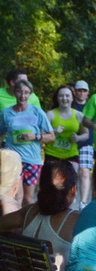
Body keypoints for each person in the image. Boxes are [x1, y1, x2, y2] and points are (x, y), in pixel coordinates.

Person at [0, 157, 81, 268]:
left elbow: (2, 225)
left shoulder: (28, 213)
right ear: (73, 190)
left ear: (41, 187)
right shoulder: (75, 219)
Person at [4, 71, 53, 206]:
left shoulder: (37, 112)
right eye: (19, 92)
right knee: (15, 195)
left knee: (28, 197)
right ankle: (12, 225)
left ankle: (26, 225)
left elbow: (51, 136)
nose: (22, 96)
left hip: (32, 159)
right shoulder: (6, 113)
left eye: (26, 92)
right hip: (13, 158)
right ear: (14, 93)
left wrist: (35, 136)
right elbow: (1, 133)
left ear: (30, 94)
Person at [43, 86, 84, 181]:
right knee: (53, 184)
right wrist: (54, 131)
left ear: (72, 98)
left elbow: (86, 134)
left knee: (70, 184)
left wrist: (78, 138)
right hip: (52, 154)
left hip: (71, 154)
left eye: (67, 96)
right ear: (57, 98)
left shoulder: (79, 115)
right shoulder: (50, 114)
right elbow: (41, 135)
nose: (64, 98)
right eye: (61, 96)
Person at [71, 80, 95, 203]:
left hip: (86, 142)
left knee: (84, 171)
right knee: (71, 171)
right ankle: (72, 197)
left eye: (84, 90)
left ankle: (83, 202)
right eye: (79, 90)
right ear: (75, 91)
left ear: (88, 92)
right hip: (71, 143)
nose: (81, 93)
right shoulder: (70, 104)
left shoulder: (91, 105)